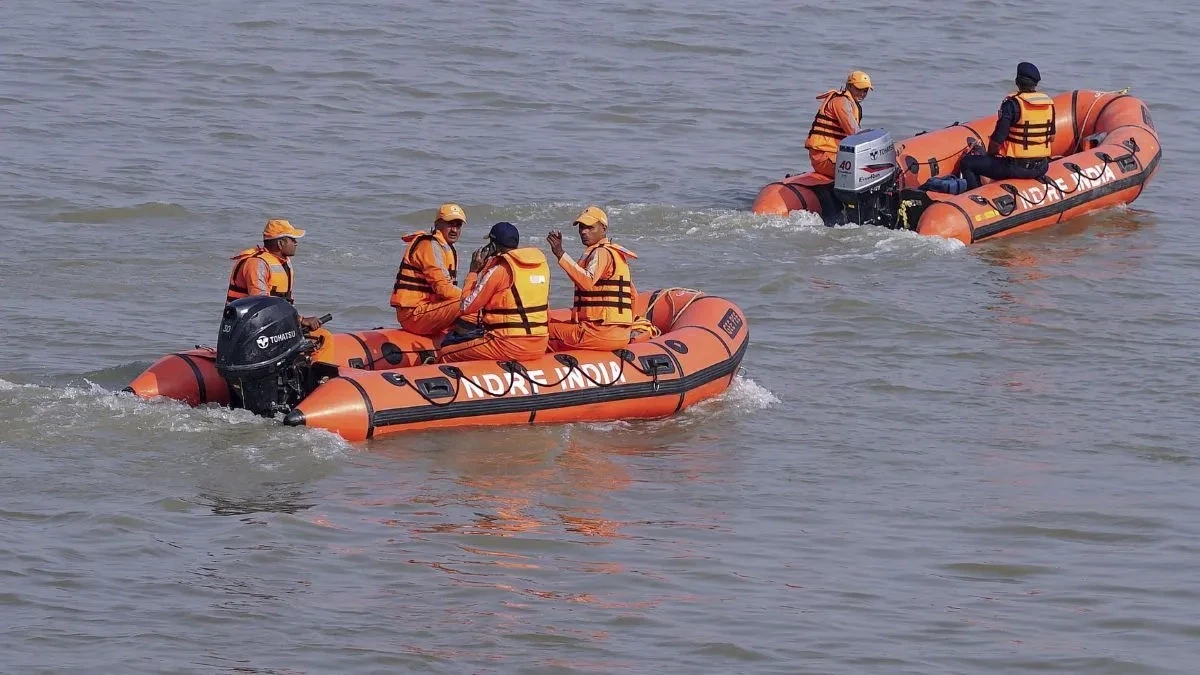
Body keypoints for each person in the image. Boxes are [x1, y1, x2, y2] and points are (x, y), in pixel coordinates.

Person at [438, 222, 551, 363]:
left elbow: (466, 306)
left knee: (444, 353)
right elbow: (547, 313)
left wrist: (473, 272)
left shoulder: (499, 270)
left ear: (493, 246)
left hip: (507, 345)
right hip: (540, 345)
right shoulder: (541, 267)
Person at [545, 206, 654, 351]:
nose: (584, 231)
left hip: (598, 333)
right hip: (620, 335)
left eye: (590, 227)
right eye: (581, 227)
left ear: (603, 228)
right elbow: (632, 295)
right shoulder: (615, 253)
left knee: (541, 330)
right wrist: (625, 327)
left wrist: (560, 253)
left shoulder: (601, 253)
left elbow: (587, 282)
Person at [226, 218, 333, 361]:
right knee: (324, 337)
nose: (296, 243)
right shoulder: (257, 264)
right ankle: (319, 374)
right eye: (292, 239)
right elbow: (262, 306)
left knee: (314, 340)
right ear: (281, 243)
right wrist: (301, 320)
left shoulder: (283, 261)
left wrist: (294, 322)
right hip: (252, 328)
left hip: (272, 324)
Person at [958, 62, 1054, 190]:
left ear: (1017, 82)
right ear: (1036, 83)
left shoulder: (1012, 105)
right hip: (1041, 167)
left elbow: (997, 140)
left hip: (1016, 168)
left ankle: (975, 195)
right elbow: (1052, 137)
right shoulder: (1048, 105)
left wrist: (989, 156)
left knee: (967, 163)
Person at [389, 203, 466, 336]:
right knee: (469, 302)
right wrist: (476, 297)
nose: (454, 230)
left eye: (458, 225)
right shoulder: (428, 245)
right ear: (438, 224)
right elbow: (443, 289)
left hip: (429, 309)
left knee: (473, 303)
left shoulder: (447, 248)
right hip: (413, 314)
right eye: (450, 224)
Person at [805, 70, 873, 178]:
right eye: (858, 89)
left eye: (865, 90)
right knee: (869, 169)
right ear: (849, 86)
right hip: (825, 157)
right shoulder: (841, 102)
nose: (862, 94)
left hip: (833, 155)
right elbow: (854, 132)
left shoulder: (850, 103)